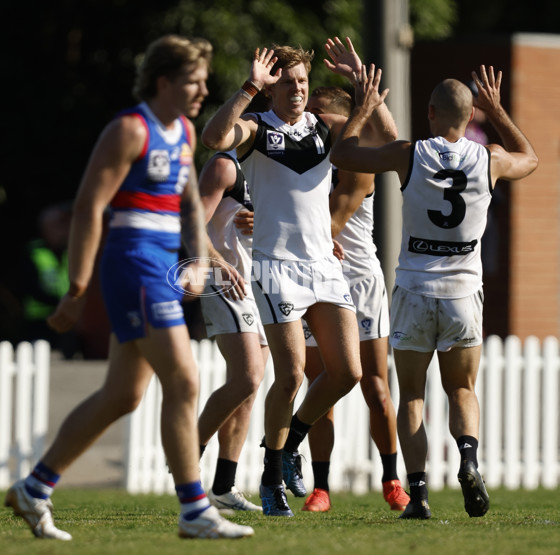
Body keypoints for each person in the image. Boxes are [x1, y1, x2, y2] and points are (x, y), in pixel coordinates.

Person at [4, 34, 253, 540]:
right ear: (164, 81)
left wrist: (200, 258)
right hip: (132, 265)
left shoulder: (182, 131)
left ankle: (34, 488)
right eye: (194, 80)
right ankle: (194, 509)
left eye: (205, 81)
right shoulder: (129, 129)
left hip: (161, 265)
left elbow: (187, 204)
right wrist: (76, 289)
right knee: (184, 380)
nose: (204, 89)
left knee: (123, 394)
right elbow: (89, 207)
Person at [330, 63, 538, 519]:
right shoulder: (491, 159)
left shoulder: (410, 153)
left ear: (429, 112)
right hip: (464, 291)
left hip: (414, 289)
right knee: (462, 389)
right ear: (470, 117)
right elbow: (531, 157)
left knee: (412, 396)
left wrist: (364, 107)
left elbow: (343, 155)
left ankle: (419, 495)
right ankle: (467, 459)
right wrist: (498, 111)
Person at [201, 36, 397, 516]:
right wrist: (250, 87)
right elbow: (213, 138)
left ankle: (291, 445)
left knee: (348, 372)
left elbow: (390, 144)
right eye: (287, 83)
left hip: (326, 268)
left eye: (303, 81)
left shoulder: (322, 127)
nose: (297, 90)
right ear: (271, 89)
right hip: (277, 267)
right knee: (288, 376)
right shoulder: (256, 127)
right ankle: (270, 480)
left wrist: (360, 90)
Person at [300, 86, 409, 513]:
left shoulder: (357, 155)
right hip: (315, 278)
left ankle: (391, 480)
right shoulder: (302, 156)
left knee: (376, 387)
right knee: (320, 386)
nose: (309, 121)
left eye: (317, 114)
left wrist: (289, 224)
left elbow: (332, 222)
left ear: (340, 119)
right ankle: (321, 487)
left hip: (359, 281)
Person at [196, 148, 269, 513]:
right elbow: (192, 222)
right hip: (227, 281)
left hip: (267, 283)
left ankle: (224, 487)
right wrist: (219, 263)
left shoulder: (278, 166)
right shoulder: (225, 165)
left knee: (248, 393)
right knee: (248, 378)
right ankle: (187, 453)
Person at [20, 201, 79, 358]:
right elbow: (29, 286)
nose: (65, 230)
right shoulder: (33, 252)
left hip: (67, 319)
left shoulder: (72, 252)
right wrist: (62, 302)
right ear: (45, 228)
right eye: (59, 225)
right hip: (40, 321)